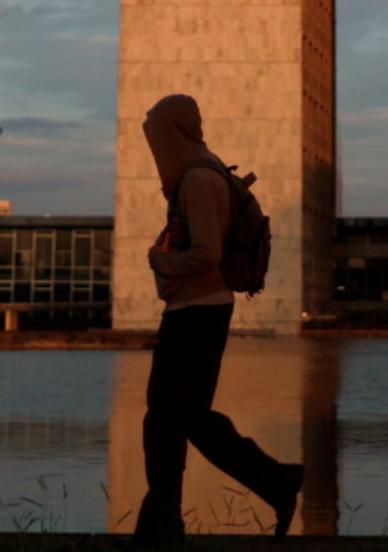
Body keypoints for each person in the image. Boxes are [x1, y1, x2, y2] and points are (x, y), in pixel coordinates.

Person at [134, 93, 303, 538]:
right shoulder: (204, 171)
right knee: (175, 419)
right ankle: (163, 521)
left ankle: (169, 520)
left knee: (173, 419)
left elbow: (207, 253)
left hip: (197, 313)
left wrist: (160, 261)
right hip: (199, 311)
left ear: (175, 133)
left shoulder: (196, 181)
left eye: (159, 136)